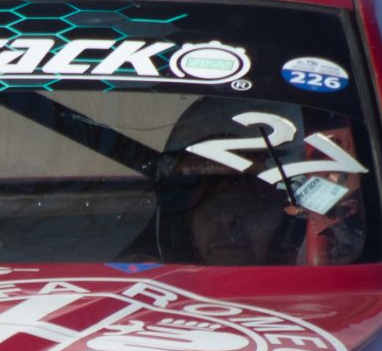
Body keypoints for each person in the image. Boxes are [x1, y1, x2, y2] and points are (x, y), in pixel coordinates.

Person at [150, 96, 368, 266]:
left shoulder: (348, 286)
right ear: (185, 222)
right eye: (212, 204)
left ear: (292, 223)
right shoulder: (135, 285)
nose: (227, 219)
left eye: (251, 205)